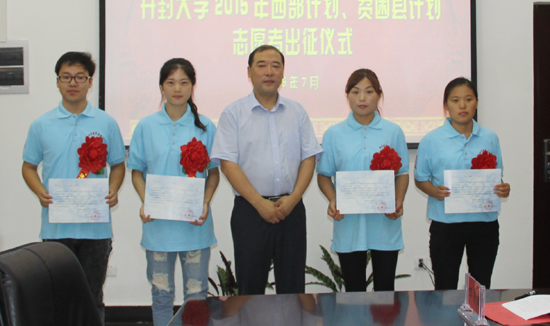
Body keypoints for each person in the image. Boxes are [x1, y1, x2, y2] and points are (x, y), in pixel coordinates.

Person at [22, 51, 126, 324]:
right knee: (57, 297)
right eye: (66, 77)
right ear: (57, 81)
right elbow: (28, 167)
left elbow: (118, 165)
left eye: (80, 77)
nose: (73, 83)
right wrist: (39, 191)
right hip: (56, 228)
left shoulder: (106, 123)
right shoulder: (41, 125)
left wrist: (114, 189)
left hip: (96, 229)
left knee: (92, 298)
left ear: (90, 82)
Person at [211, 45, 323, 295]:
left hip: (291, 209)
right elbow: (228, 164)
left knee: (292, 288)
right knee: (250, 288)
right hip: (250, 211)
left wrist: (294, 199)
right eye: (261, 65)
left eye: (276, 66)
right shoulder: (233, 113)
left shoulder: (297, 111)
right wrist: (259, 203)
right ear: (249, 72)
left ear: (283, 72)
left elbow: (309, 157)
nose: (269, 71)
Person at [127, 58, 219, 326]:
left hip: (194, 225)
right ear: (161, 87)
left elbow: (213, 173)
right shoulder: (146, 126)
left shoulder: (205, 127)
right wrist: (146, 202)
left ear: (192, 87)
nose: (177, 89)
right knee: (161, 294)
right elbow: (137, 171)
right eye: (171, 82)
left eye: (184, 82)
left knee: (196, 296)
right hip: (158, 226)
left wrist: (205, 202)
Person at [316, 69, 409, 292]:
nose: (362, 98)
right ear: (347, 96)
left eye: (369, 91)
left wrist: (398, 200)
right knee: (353, 291)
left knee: (385, 291)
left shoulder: (393, 131)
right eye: (356, 92)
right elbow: (324, 174)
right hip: (349, 222)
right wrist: (333, 200)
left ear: (379, 95)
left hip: (384, 222)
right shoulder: (334, 134)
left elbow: (402, 173)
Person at [414, 77, 510, 290]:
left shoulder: (490, 138)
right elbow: (420, 179)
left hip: (484, 223)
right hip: (446, 224)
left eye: (468, 99)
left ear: (477, 102)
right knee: (445, 286)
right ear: (446, 105)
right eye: (455, 100)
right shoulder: (431, 140)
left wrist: (503, 188)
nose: (462, 105)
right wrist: (435, 191)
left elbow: (496, 176)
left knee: (481, 285)